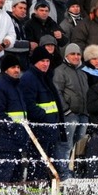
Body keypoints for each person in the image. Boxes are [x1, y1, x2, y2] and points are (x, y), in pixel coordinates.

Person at [19, 46, 66, 181]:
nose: (45, 64)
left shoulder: (46, 77)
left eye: (47, 61)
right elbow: (28, 104)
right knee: (38, 167)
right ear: (35, 62)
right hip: (39, 131)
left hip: (50, 130)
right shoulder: (29, 79)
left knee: (49, 167)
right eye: (42, 61)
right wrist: (45, 117)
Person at [0, 54, 32, 182]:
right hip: (5, 140)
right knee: (3, 176)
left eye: (18, 67)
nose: (17, 70)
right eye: (13, 67)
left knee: (15, 176)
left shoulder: (15, 85)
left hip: (16, 139)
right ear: (5, 69)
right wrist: (14, 127)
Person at [53, 43, 89, 179]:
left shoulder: (82, 72)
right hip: (69, 115)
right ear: (66, 55)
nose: (76, 56)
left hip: (82, 114)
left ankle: (67, 168)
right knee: (65, 144)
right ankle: (62, 171)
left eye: (78, 54)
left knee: (76, 141)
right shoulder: (60, 71)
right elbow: (58, 92)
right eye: (73, 54)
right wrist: (66, 110)